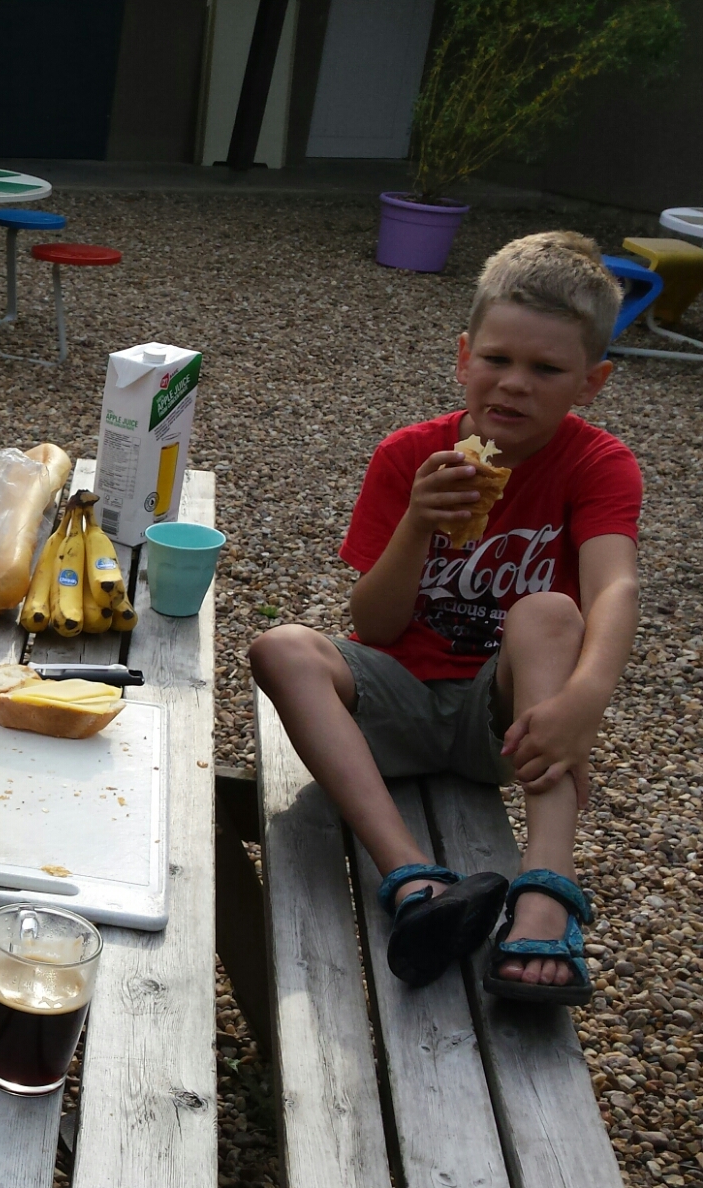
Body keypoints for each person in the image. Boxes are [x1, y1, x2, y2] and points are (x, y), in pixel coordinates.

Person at [249, 231, 640, 1004]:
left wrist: (583, 703)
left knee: (550, 611)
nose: (514, 384)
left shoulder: (597, 465)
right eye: (497, 359)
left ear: (590, 382)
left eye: (546, 369)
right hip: (395, 701)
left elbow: (615, 587)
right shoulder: (410, 457)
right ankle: (414, 881)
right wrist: (417, 525)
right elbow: (375, 626)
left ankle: (546, 887)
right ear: (464, 357)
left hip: (507, 723)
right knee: (281, 647)